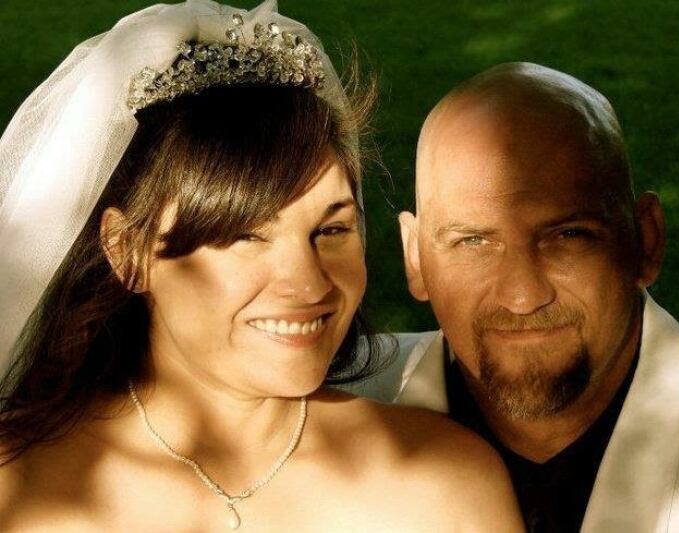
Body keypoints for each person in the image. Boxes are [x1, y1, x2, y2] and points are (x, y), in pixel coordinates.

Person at [0, 2, 524, 531]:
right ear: (126, 251)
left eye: (332, 230)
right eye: (245, 235)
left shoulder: (443, 487)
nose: (308, 281)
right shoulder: (18, 488)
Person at [351, 62, 679, 531]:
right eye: (473, 242)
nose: (522, 296)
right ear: (415, 258)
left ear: (646, 240)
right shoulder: (327, 421)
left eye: (568, 235)